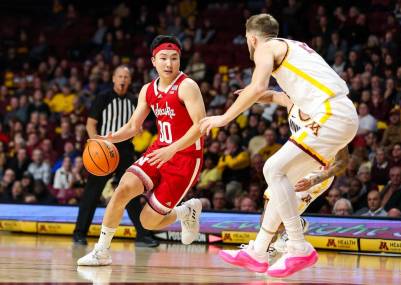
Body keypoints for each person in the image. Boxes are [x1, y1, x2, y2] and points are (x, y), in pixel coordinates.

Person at [200, 13, 358, 277]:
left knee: (272, 169)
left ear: (251, 39)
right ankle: (258, 251)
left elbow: (258, 85)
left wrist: (224, 118)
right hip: (339, 113)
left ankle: (298, 246)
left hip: (330, 114)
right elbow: (272, 93)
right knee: (277, 185)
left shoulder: (265, 48)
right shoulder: (292, 46)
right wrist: (259, 97)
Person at [78, 35, 206, 266]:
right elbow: (133, 127)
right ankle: (102, 251)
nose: (169, 64)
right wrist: (108, 138)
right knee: (122, 190)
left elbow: (201, 127)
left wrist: (173, 150)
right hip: (158, 151)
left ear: (180, 60)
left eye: (174, 58)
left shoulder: (187, 86)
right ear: (153, 61)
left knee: (147, 222)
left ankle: (186, 211)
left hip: (185, 158)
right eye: (164, 58)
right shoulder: (148, 90)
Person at [73, 65, 158, 247]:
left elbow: (137, 125)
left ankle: (142, 235)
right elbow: (90, 124)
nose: (122, 80)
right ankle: (79, 233)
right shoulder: (103, 97)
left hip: (126, 150)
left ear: (129, 80)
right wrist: (95, 143)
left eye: (126, 77)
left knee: (131, 191)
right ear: (113, 78)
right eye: (119, 76)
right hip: (105, 149)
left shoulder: (134, 100)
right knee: (92, 193)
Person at [255, 89, 349, 254]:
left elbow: (343, 162)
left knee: (280, 214)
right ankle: (283, 235)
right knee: (269, 203)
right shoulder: (293, 102)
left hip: (319, 171)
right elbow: (272, 96)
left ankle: (268, 246)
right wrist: (249, 96)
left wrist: (315, 180)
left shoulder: (331, 119)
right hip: (298, 163)